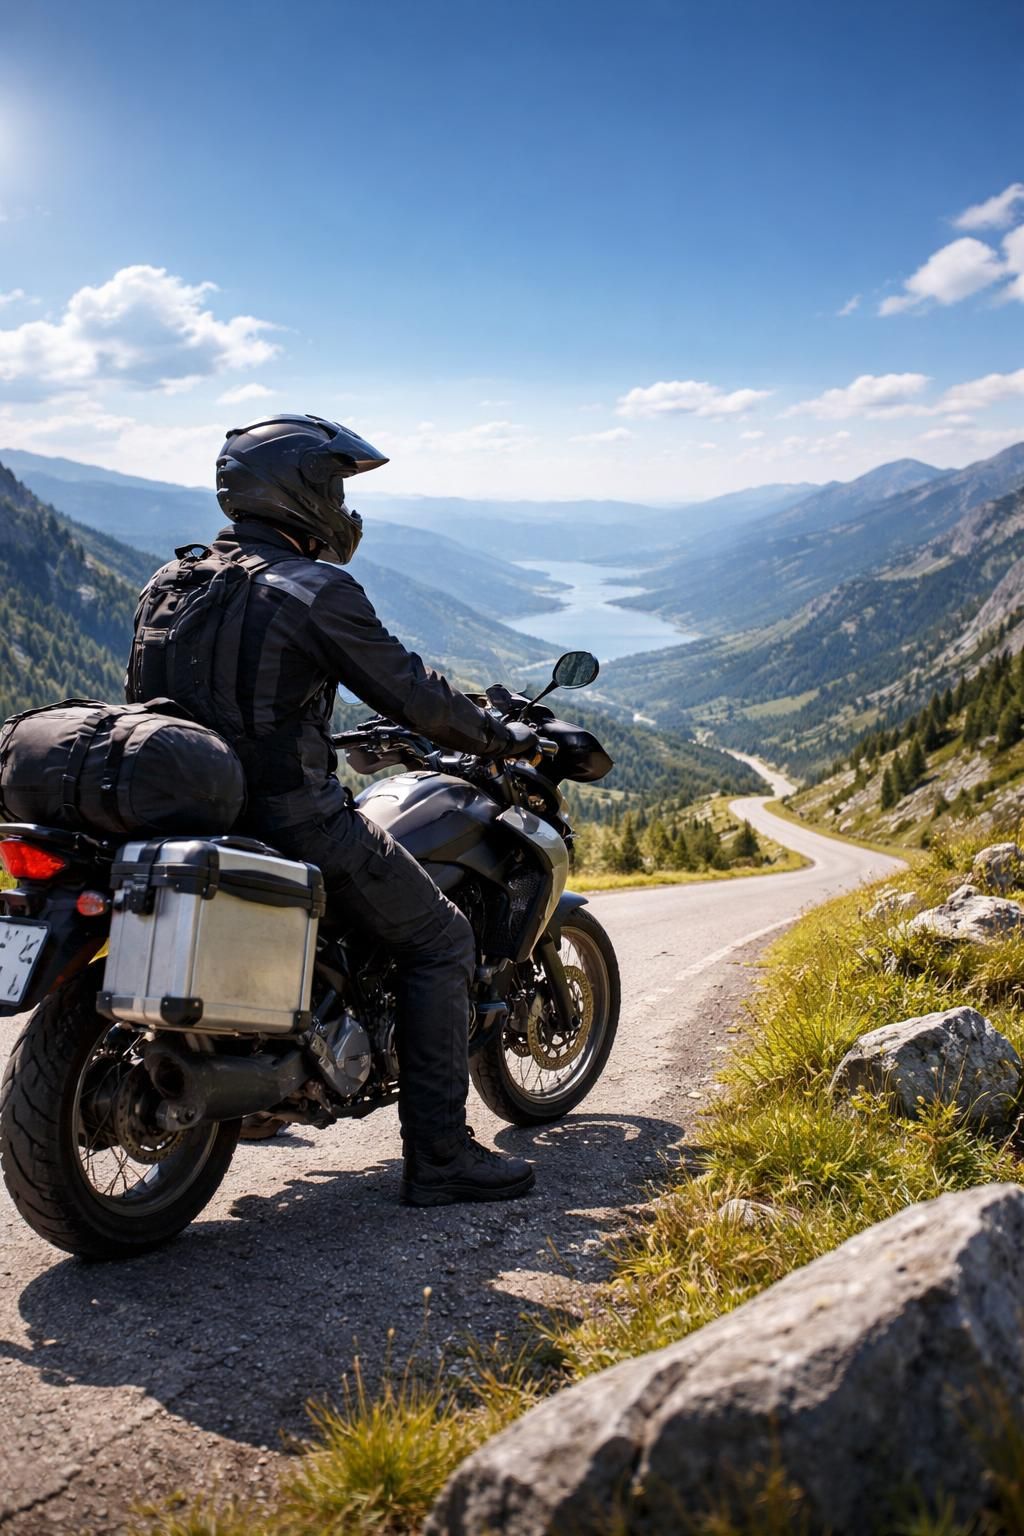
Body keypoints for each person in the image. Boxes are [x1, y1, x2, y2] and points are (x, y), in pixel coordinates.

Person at [127, 413, 539, 1204]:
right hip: (291, 821)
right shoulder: (315, 590)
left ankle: (262, 1077)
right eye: (338, 485)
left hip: (181, 818)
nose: (345, 505)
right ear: (305, 489)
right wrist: (494, 737)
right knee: (441, 941)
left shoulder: (172, 580)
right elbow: (413, 693)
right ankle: (442, 1159)